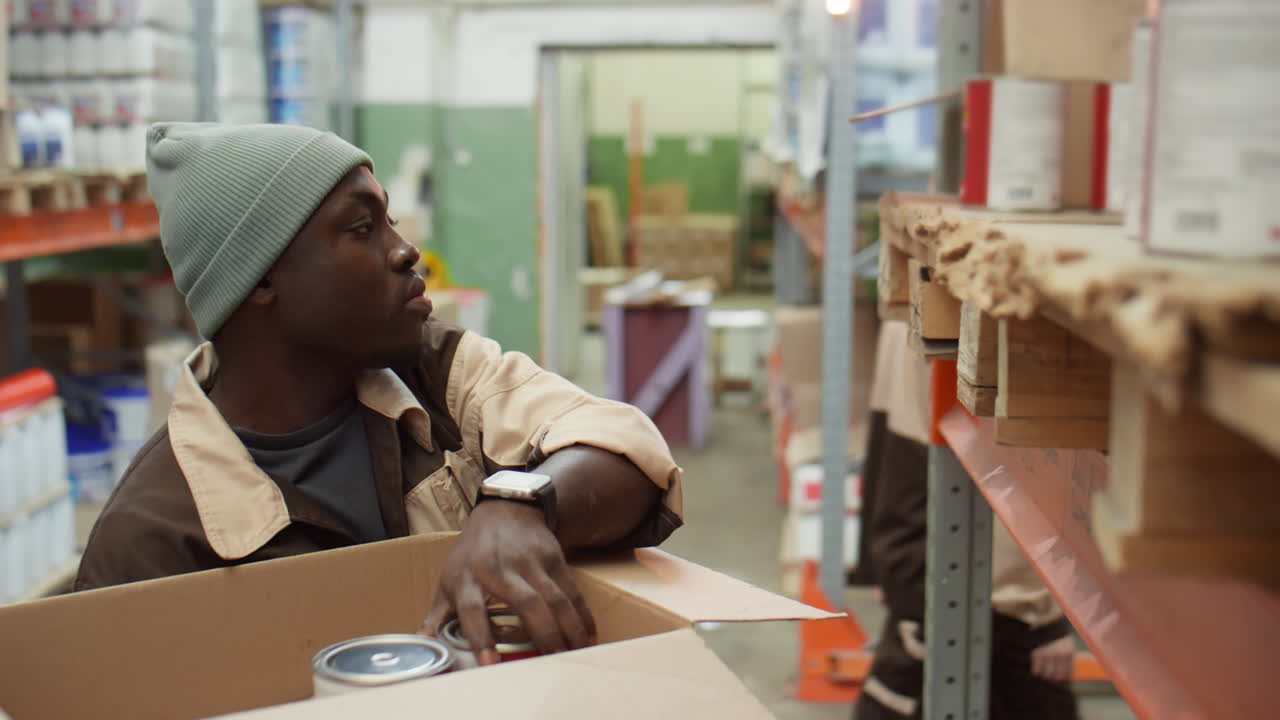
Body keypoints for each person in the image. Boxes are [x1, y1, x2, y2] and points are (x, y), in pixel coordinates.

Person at [75, 123, 684, 666]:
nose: (404, 249)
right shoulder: (152, 538)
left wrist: (521, 505)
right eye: (362, 228)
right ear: (259, 280)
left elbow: (624, 446)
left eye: (388, 220)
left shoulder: (432, 373)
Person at [852, 321, 1078, 720]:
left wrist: (885, 572)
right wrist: (1040, 615)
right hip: (986, 601)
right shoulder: (994, 324)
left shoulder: (916, 309)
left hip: (932, 576)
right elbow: (1014, 473)